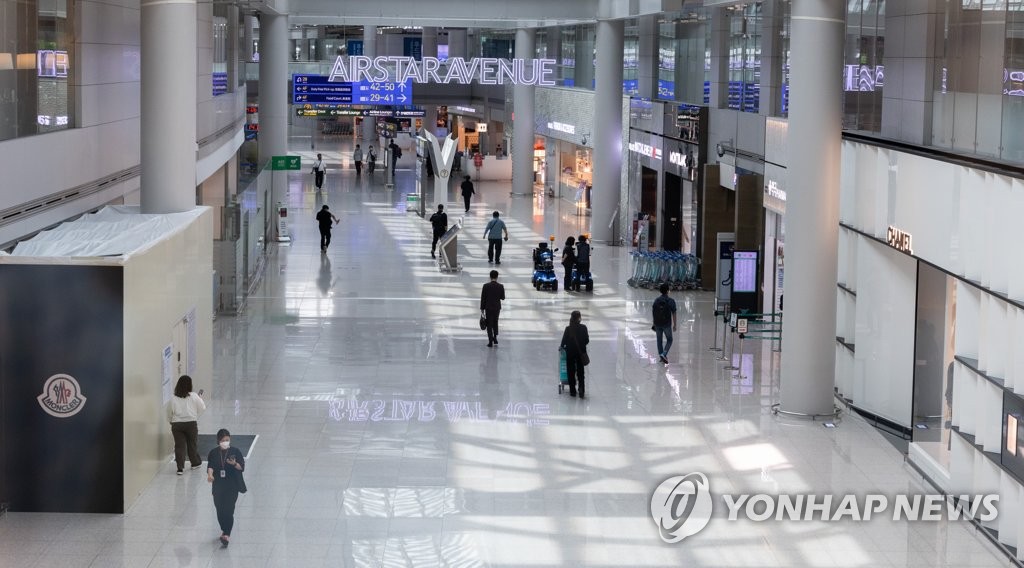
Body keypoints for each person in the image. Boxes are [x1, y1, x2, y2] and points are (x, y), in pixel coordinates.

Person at [207, 429, 246, 547]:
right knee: (219, 510)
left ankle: (227, 534)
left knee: (229, 510)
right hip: (218, 486)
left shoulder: (235, 451)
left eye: (227, 440)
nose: (225, 442)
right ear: (218, 441)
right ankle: (224, 529)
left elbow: (241, 467)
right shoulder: (214, 453)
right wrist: (210, 475)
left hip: (232, 486)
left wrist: (234, 464)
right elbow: (210, 466)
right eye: (223, 440)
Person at [168, 375, 205, 475]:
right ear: (190, 385)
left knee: (179, 446)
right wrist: (200, 399)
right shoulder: (194, 396)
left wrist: (170, 421)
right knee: (192, 444)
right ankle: (195, 463)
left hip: (177, 425)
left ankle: (180, 468)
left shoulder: (173, 398)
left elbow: (169, 412)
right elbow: (202, 408)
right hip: (191, 424)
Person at [559, 310, 590, 398]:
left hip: (570, 353)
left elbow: (563, 342)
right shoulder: (584, 328)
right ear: (579, 318)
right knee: (580, 372)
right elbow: (587, 341)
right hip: (580, 353)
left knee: (571, 371)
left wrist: (562, 347)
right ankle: (581, 390)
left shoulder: (568, 328)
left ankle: (572, 391)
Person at [651, 283, 678, 364]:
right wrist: (675, 325)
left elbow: (653, 312)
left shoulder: (656, 300)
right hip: (666, 324)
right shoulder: (671, 301)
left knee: (659, 341)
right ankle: (664, 353)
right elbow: (674, 313)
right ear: (667, 291)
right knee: (669, 339)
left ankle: (661, 357)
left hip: (657, 323)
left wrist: (654, 323)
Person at [480, 270, 505, 347]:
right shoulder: (501, 286)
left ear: (490, 277)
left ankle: (490, 341)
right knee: (495, 322)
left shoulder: (485, 286)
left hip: (488, 307)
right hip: (497, 308)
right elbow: (503, 298)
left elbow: (483, 298)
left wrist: (482, 308)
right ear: (497, 277)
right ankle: (495, 337)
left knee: (489, 324)